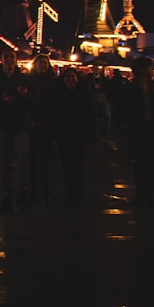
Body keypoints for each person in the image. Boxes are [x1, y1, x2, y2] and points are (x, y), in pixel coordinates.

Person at [0, 49, 33, 214]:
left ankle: (22, 193)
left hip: (19, 125)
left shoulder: (24, 79)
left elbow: (37, 100)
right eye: (6, 57)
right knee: (4, 163)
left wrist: (25, 95)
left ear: (16, 61)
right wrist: (0, 102)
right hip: (3, 125)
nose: (9, 60)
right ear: (2, 60)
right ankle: (8, 195)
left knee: (22, 160)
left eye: (12, 57)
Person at [122, 56, 154, 210]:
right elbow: (127, 108)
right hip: (140, 131)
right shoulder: (132, 87)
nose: (152, 69)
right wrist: (141, 116)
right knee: (141, 164)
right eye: (149, 67)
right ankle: (141, 193)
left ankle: (150, 193)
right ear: (142, 70)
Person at [53, 68, 94, 207]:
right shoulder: (59, 94)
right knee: (66, 165)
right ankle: (70, 192)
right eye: (68, 77)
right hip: (65, 134)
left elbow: (90, 113)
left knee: (79, 164)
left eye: (72, 77)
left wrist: (91, 133)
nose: (70, 80)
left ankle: (78, 193)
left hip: (79, 134)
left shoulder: (84, 93)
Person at [27, 53, 61, 205]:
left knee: (45, 161)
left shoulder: (53, 82)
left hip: (46, 124)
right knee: (32, 160)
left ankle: (45, 191)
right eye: (40, 63)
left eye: (45, 63)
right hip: (32, 123)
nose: (43, 65)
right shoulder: (29, 81)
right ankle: (33, 191)